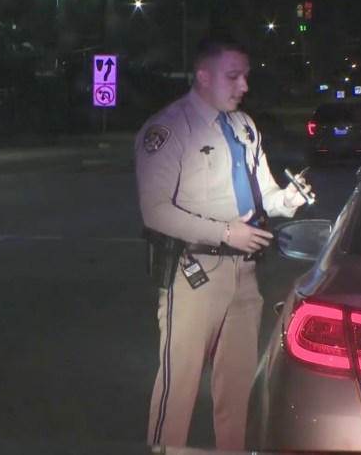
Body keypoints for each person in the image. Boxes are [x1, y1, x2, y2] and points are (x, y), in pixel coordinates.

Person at [135, 32, 313, 451]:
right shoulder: (169, 128)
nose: (244, 86)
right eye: (233, 76)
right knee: (177, 387)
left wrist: (287, 200)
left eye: (245, 76)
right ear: (202, 75)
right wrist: (225, 231)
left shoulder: (244, 126)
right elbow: (155, 211)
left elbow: (263, 193)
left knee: (238, 391)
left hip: (245, 273)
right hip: (194, 271)